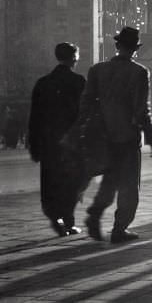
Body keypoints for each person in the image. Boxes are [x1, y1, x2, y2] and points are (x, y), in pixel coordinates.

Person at [82, 27, 152, 243]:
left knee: (110, 180)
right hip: (128, 136)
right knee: (129, 186)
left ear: (117, 46)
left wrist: (83, 129)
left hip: (104, 136)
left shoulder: (97, 70)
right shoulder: (140, 72)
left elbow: (86, 103)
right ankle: (119, 228)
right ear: (135, 48)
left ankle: (95, 213)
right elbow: (142, 109)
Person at [28, 43, 87, 236]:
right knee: (73, 182)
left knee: (50, 181)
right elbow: (84, 114)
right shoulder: (79, 81)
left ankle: (55, 217)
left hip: (48, 142)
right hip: (71, 142)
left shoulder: (43, 83)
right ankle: (68, 221)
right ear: (74, 58)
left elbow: (35, 116)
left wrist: (34, 145)